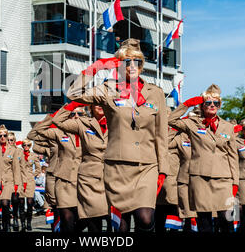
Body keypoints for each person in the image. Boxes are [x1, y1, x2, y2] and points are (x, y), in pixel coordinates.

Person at [68, 38, 170, 233]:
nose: (132, 66)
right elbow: (73, 93)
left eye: (137, 62)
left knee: (145, 218)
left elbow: (161, 135)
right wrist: (96, 68)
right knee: (121, 225)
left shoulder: (155, 93)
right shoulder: (108, 90)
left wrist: (163, 169)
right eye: (126, 62)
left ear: (142, 66)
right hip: (117, 168)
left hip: (147, 167)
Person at [168, 84, 239, 233]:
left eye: (216, 103)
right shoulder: (193, 124)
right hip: (200, 179)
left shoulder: (228, 127)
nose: (212, 105)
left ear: (219, 106)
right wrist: (187, 104)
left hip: (224, 179)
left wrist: (235, 182)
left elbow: (233, 156)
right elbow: (170, 120)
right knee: (204, 222)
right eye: (208, 102)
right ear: (202, 105)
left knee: (227, 221)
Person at [53, 102, 111, 233]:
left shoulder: (115, 120)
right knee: (93, 223)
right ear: (90, 106)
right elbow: (57, 120)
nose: (100, 105)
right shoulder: (83, 123)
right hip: (90, 179)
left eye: (103, 102)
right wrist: (74, 104)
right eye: (96, 103)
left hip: (111, 176)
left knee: (112, 221)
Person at [28, 117, 60, 232]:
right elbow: (33, 140)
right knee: (52, 208)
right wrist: (48, 120)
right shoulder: (50, 148)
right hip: (52, 178)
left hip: (66, 178)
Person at [0, 124, 22, 232]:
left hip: (8, 181)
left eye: (4, 135)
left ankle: (6, 226)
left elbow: (16, 168)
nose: (2, 137)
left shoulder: (12, 150)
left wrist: (17, 186)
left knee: (5, 203)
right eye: (0, 135)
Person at [19, 139, 41, 231]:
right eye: (24, 145)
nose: (26, 147)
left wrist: (33, 175)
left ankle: (29, 223)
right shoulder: (19, 155)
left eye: (28, 145)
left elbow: (38, 168)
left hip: (30, 181)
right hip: (20, 180)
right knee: (21, 203)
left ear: (30, 146)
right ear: (22, 146)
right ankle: (23, 224)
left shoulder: (34, 156)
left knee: (29, 202)